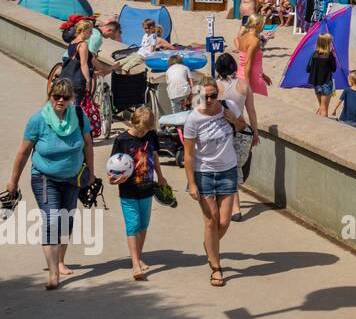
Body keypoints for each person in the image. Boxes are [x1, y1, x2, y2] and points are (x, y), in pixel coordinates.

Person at [5, 79, 95, 290]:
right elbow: (23, 152)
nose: (61, 100)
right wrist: (13, 180)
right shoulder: (38, 120)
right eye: (57, 96)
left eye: (65, 97)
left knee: (67, 220)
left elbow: (89, 144)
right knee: (52, 219)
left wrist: (91, 171)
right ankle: (53, 273)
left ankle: (60, 261)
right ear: (50, 96)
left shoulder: (80, 117)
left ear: (72, 98)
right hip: (44, 178)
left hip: (73, 178)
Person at [182, 77, 247, 288]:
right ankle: (216, 267)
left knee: (224, 222)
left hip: (227, 170)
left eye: (213, 95)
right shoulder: (193, 119)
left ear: (218, 94)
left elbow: (242, 125)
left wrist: (233, 120)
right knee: (211, 221)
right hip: (204, 174)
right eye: (205, 96)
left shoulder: (230, 106)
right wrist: (191, 183)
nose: (209, 100)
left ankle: (210, 245)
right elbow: (189, 155)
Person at [108, 107, 168, 281]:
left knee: (143, 224)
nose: (143, 134)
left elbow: (154, 156)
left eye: (146, 131)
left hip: (147, 187)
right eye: (141, 130)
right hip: (128, 189)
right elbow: (113, 164)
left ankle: (138, 257)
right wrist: (113, 179)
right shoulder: (122, 139)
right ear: (133, 123)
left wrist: (161, 176)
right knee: (133, 225)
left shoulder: (150, 135)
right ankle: (135, 264)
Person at [214, 53, 257, 223]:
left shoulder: (215, 86)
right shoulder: (244, 86)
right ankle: (235, 208)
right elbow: (251, 111)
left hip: (221, 132)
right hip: (241, 129)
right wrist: (255, 132)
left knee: (224, 169)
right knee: (234, 168)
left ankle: (233, 207)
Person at [58, 19, 96, 107]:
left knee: (66, 105)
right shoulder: (83, 45)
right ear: (83, 31)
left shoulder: (73, 41)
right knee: (77, 106)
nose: (91, 34)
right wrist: (88, 80)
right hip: (77, 80)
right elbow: (83, 64)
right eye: (90, 31)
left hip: (66, 78)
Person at [237, 14, 272, 97]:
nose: (264, 26)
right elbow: (248, 62)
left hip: (240, 74)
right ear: (257, 25)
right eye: (263, 24)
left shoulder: (243, 37)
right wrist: (247, 84)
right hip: (252, 76)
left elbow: (248, 59)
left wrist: (263, 75)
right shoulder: (255, 40)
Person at [306, 32, 338, 116]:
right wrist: (334, 56)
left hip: (316, 83)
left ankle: (319, 123)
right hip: (326, 82)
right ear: (328, 43)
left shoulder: (314, 54)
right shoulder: (329, 55)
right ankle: (323, 127)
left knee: (321, 106)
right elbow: (334, 69)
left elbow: (308, 69)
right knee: (324, 109)